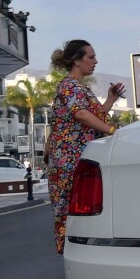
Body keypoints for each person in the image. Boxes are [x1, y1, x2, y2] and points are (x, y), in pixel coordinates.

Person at [46, 39, 124, 254]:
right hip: (68, 159)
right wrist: (111, 131)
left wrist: (110, 100)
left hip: (80, 156)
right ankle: (71, 251)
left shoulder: (80, 87)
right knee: (69, 208)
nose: (95, 61)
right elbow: (82, 115)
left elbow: (94, 115)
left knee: (82, 206)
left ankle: (80, 250)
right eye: (90, 57)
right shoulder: (69, 86)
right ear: (77, 61)